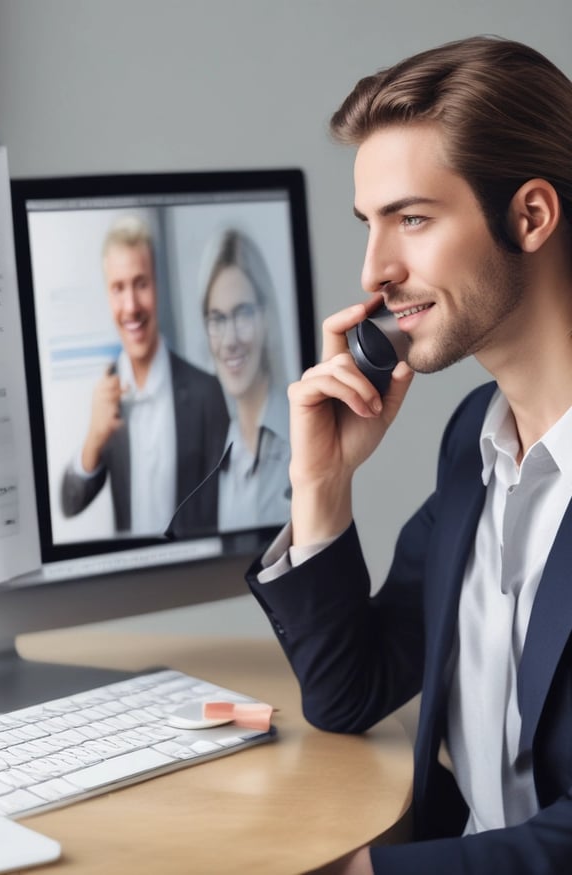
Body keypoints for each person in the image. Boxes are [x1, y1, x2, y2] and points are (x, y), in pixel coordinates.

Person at [246, 36, 572, 874]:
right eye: (371, 224)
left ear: (530, 216)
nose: (375, 270)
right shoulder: (477, 438)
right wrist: (321, 484)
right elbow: (351, 692)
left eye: (413, 219)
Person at [61, 214, 229, 535]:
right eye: (118, 288)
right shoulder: (106, 396)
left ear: (157, 285)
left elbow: (225, 512)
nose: (131, 305)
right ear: (108, 296)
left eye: (141, 283)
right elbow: (70, 502)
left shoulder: (206, 392)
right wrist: (94, 438)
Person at [201, 229, 291, 529]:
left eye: (242, 315)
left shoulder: (300, 435)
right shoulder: (216, 453)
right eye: (218, 319)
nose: (229, 341)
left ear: (265, 319)